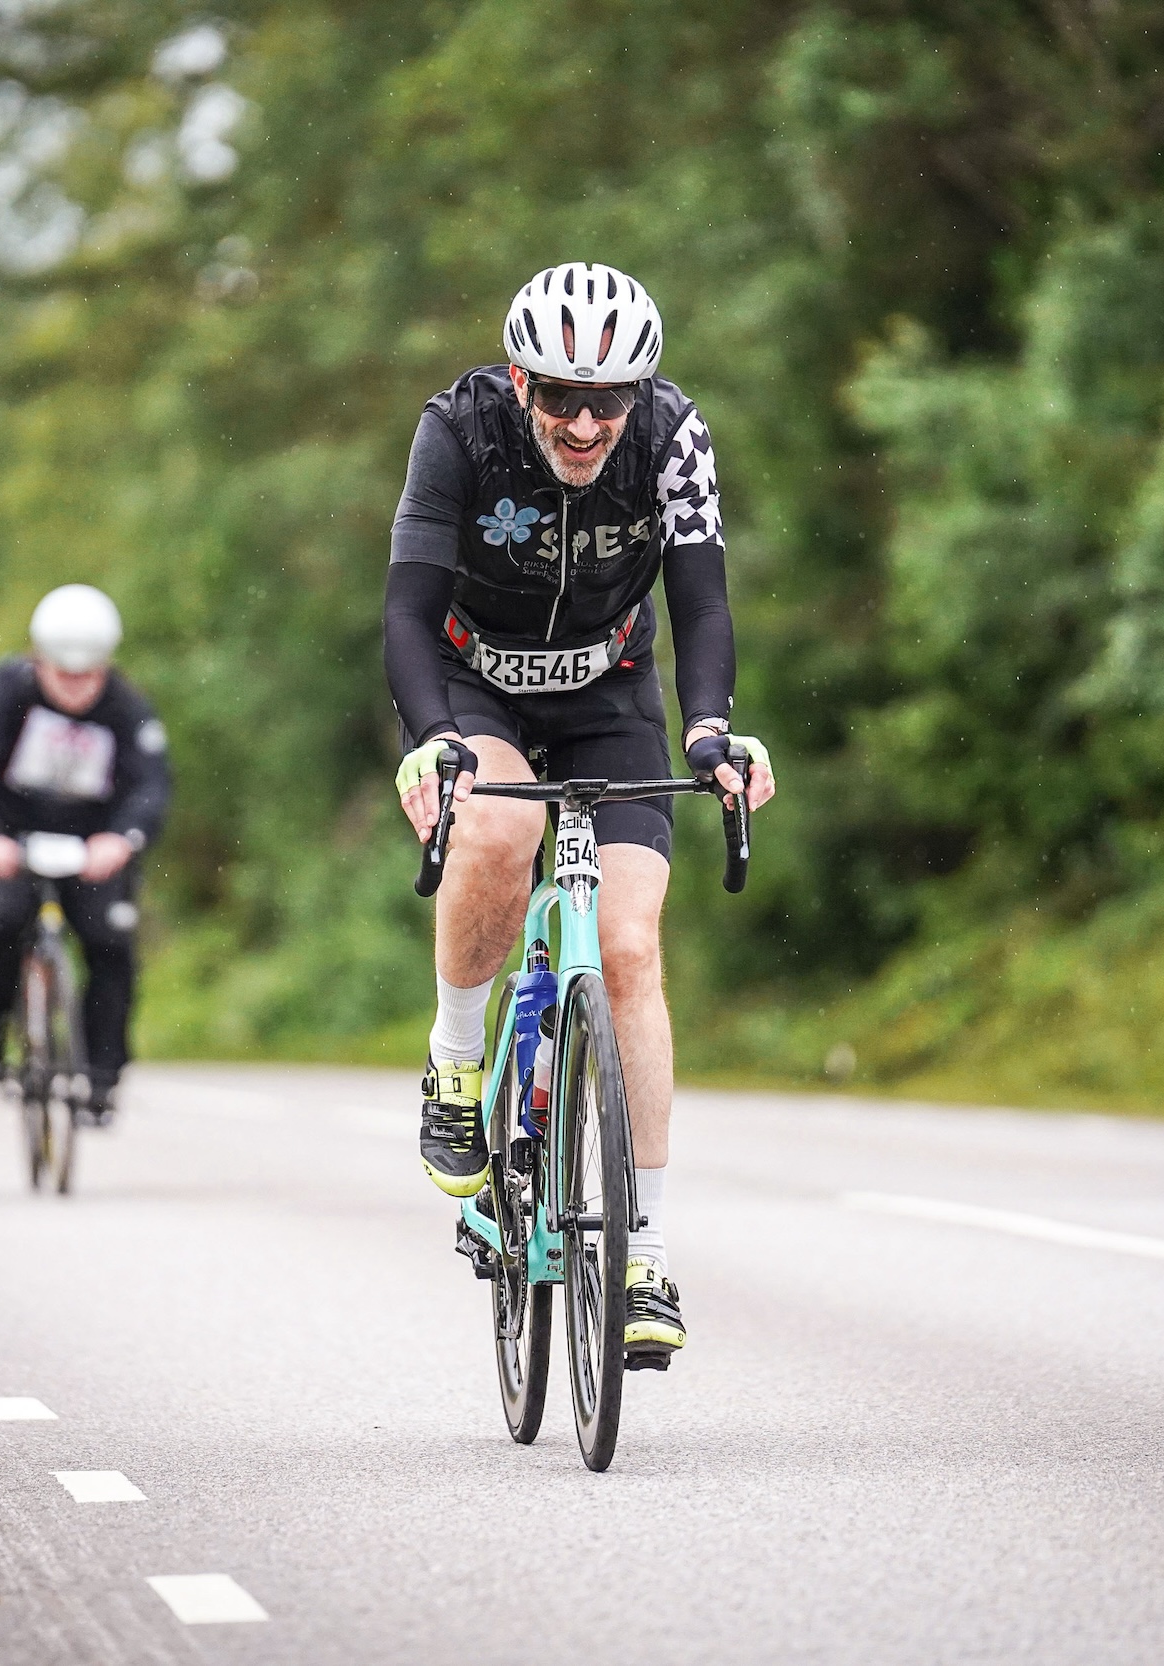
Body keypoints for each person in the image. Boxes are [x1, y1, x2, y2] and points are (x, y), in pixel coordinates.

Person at [385, 262, 776, 1366]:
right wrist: (431, 738)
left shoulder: (672, 435)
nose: (586, 422)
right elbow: (408, 610)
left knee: (630, 946)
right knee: (500, 831)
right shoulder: (458, 432)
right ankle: (459, 1066)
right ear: (521, 379)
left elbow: (700, 598)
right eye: (560, 395)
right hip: (478, 688)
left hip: (610, 693)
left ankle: (642, 1251)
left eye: (609, 399)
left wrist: (710, 730)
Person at [0, 584, 172, 1114]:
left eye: (87, 675)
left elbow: (151, 783)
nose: (75, 689)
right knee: (1, 920)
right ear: (40, 660)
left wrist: (123, 840)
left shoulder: (127, 708)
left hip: (92, 849)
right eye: (63, 674)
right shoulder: (5, 691)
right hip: (14, 840)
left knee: (111, 942)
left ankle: (102, 1072)